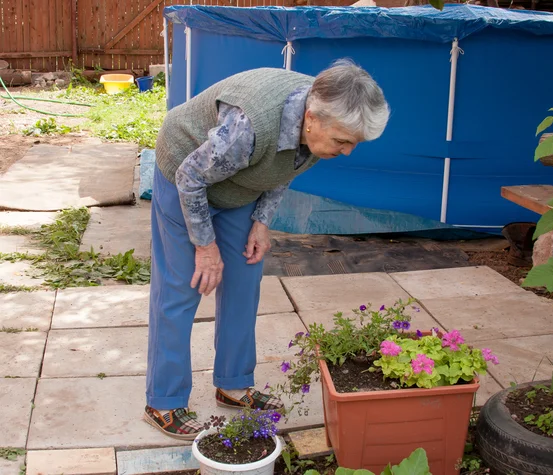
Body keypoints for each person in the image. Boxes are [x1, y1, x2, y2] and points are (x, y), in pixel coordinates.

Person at [144, 59, 390, 440]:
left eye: (354, 143)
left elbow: (285, 167)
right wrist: (205, 246)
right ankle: (163, 400)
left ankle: (234, 385)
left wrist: (261, 221)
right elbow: (190, 177)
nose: (347, 152)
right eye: (343, 141)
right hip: (185, 172)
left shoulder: (319, 122)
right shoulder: (249, 127)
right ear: (312, 118)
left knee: (244, 278)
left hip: (238, 186)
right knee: (184, 285)